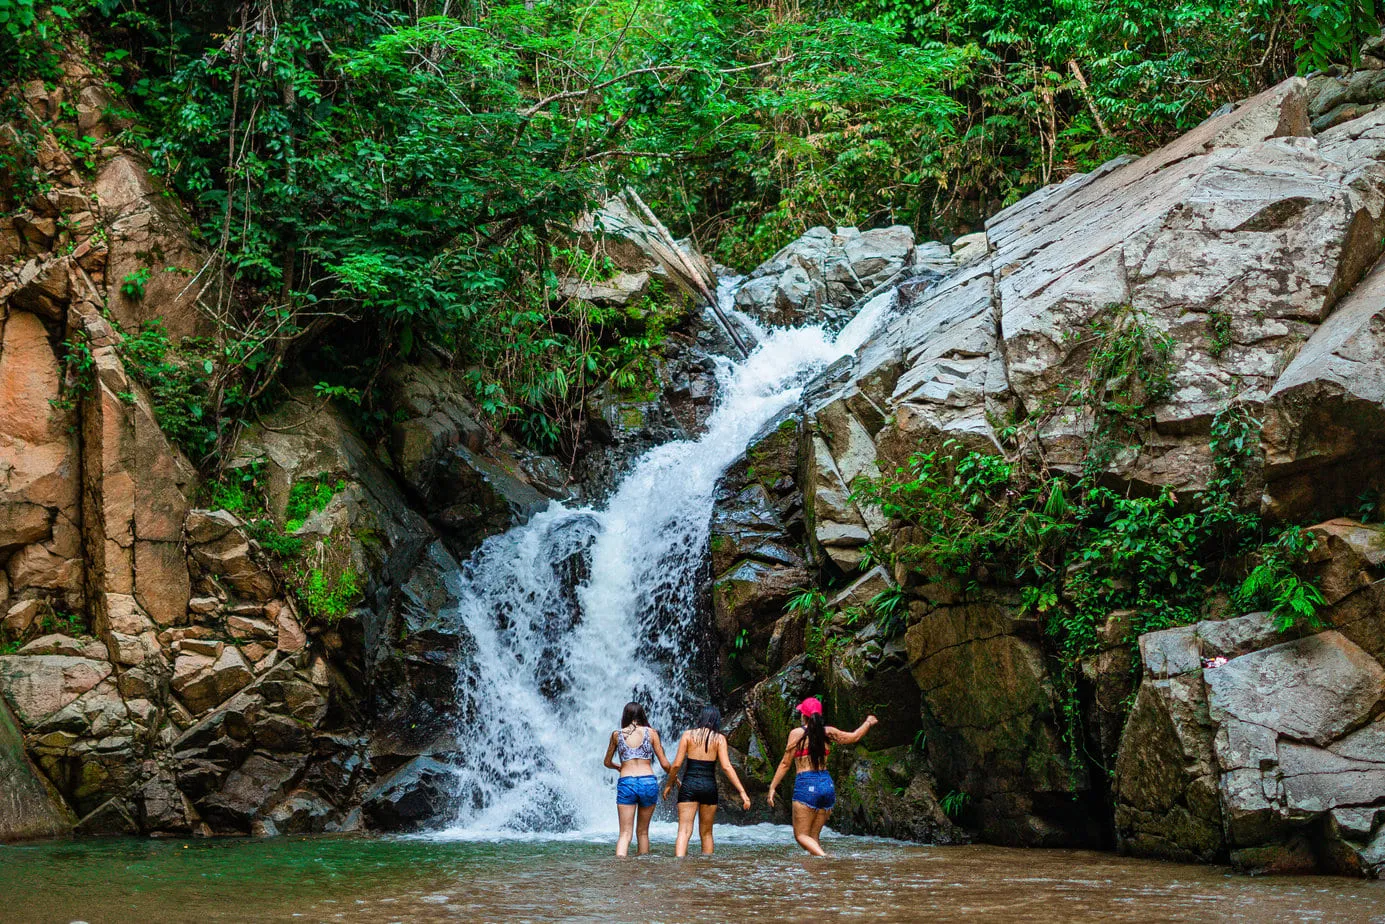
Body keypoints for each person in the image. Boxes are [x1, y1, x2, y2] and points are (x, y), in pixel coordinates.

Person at [767, 697, 877, 857]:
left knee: (801, 836)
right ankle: (817, 876)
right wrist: (868, 722)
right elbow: (854, 737)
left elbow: (785, 764)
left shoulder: (797, 734)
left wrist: (772, 787)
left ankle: (825, 858)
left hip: (807, 785)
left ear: (803, 716)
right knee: (813, 838)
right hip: (827, 785)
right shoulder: (829, 732)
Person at [661, 705, 752, 857]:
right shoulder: (719, 739)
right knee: (707, 833)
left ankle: (679, 863)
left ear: (701, 718)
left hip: (689, 785)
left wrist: (669, 785)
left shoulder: (688, 735)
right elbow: (727, 767)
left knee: (684, 830)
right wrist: (742, 792)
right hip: (709, 787)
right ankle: (706, 867)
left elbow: (676, 764)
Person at [602, 701, 672, 857]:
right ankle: (644, 871)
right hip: (648, 781)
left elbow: (606, 762)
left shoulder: (617, 735)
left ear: (625, 715)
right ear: (642, 715)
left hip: (627, 782)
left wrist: (618, 767)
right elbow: (665, 764)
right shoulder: (651, 733)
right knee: (643, 832)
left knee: (625, 834)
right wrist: (676, 780)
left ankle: (620, 868)